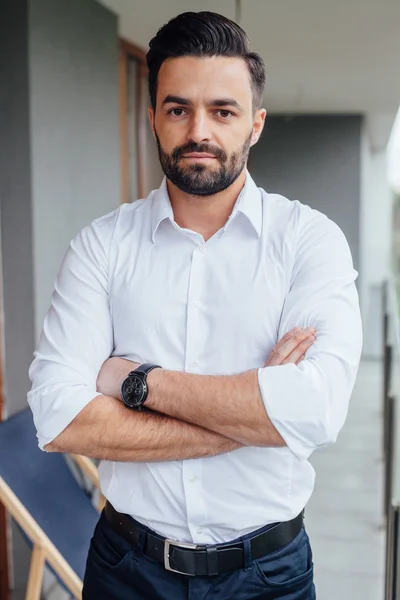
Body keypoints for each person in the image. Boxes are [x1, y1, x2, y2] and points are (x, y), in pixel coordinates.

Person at [28, 10, 363, 600]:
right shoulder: (101, 247)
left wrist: (137, 382)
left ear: (255, 124)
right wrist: (254, 415)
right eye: (178, 109)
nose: (198, 130)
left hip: (269, 575)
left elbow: (315, 409)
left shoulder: (309, 241)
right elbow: (58, 417)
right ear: (153, 118)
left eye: (223, 111)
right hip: (126, 567)